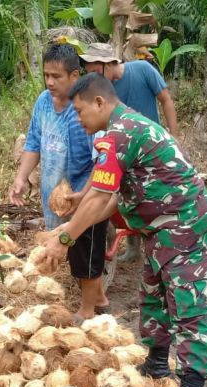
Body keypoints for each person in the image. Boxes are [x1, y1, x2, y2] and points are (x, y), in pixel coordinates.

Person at [42, 73, 207, 387]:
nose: (78, 120)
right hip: (162, 227)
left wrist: (63, 238)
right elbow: (108, 198)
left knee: (188, 310)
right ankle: (156, 367)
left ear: (99, 103)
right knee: (152, 294)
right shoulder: (122, 128)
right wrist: (78, 207)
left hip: (187, 225)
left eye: (79, 112)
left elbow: (99, 201)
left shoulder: (118, 133)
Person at [9, 43, 110, 320]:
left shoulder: (86, 109)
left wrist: (86, 194)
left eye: (57, 76)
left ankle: (90, 306)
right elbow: (33, 142)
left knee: (85, 249)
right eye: (47, 76)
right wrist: (20, 178)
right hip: (53, 193)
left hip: (84, 196)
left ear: (75, 76)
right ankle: (95, 298)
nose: (50, 82)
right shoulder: (43, 102)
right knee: (73, 250)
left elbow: (100, 159)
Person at [79, 42, 180, 262]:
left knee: (153, 199)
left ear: (108, 64)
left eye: (96, 72)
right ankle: (136, 247)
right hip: (126, 153)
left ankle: (158, 245)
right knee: (126, 193)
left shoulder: (142, 70)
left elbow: (166, 100)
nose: (94, 80)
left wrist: (174, 136)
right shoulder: (105, 93)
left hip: (151, 151)